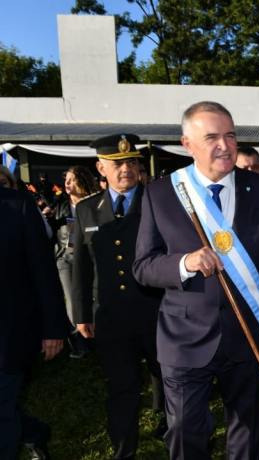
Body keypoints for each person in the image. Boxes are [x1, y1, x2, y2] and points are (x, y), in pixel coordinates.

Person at [133, 102, 259, 459]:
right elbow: (144, 267)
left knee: (248, 431)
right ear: (186, 143)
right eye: (211, 137)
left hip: (248, 334)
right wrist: (185, 263)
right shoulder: (161, 193)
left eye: (230, 135)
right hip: (184, 337)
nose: (224, 145)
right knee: (184, 431)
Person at [71, 134, 167, 458]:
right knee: (121, 387)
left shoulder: (159, 202)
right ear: (101, 168)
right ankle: (124, 449)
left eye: (130, 162)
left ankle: (178, 437)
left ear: (139, 166)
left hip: (156, 311)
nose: (125, 169)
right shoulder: (86, 210)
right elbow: (80, 267)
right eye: (116, 163)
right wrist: (82, 314)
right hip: (111, 317)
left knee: (169, 379)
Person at [0, 186, 68, 459]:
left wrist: (53, 327)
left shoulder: (18, 205)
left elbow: (42, 269)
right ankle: (33, 432)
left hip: (9, 334)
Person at [53, 165, 99, 359]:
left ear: (83, 180)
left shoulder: (97, 204)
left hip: (90, 258)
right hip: (65, 257)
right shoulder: (61, 204)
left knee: (94, 298)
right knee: (72, 302)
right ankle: (80, 343)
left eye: (72, 179)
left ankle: (98, 337)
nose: (67, 184)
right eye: (66, 180)